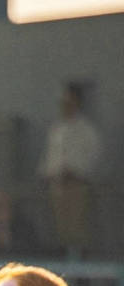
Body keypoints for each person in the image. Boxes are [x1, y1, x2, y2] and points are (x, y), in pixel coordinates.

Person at [40, 84, 102, 258]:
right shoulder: (56, 129)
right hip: (56, 185)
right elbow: (49, 157)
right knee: (59, 230)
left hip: (77, 186)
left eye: (70, 102)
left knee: (78, 230)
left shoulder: (87, 130)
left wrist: (75, 171)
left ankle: (80, 266)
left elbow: (93, 158)